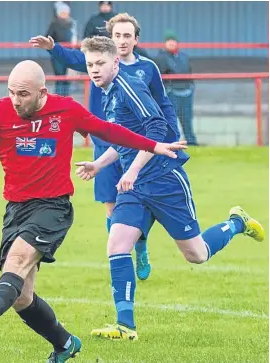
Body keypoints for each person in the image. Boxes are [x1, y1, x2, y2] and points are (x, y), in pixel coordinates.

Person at [0, 60, 187, 361]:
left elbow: (109, 131)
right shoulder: (0, 111)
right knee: (22, 297)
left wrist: (153, 145)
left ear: (42, 92)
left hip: (53, 207)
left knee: (17, 260)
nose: (16, 100)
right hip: (16, 210)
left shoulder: (65, 110)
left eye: (23, 94)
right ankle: (65, 344)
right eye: (12, 92)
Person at [74, 36, 265, 341]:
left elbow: (157, 128)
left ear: (115, 63)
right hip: (134, 186)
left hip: (163, 180)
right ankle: (125, 326)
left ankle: (237, 222)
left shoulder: (128, 87)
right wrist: (99, 165)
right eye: (89, 65)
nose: (94, 70)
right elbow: (127, 141)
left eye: (99, 64)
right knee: (117, 245)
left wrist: (133, 169)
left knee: (197, 255)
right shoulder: (108, 93)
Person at [30, 13, 180, 282]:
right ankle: (121, 254)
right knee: (111, 205)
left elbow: (163, 104)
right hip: (106, 145)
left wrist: (170, 134)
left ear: (136, 39)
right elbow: (75, 59)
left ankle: (140, 245)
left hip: (139, 149)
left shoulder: (147, 68)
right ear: (109, 40)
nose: (121, 41)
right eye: (117, 35)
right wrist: (53, 48)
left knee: (138, 200)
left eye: (126, 36)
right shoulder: (98, 64)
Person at [155, 30, 198, 145]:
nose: (171, 44)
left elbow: (188, 72)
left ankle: (191, 141)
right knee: (170, 119)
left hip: (186, 91)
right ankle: (172, 142)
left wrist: (191, 87)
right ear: (165, 43)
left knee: (187, 118)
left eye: (173, 41)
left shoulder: (184, 57)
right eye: (169, 41)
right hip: (171, 91)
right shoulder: (160, 58)